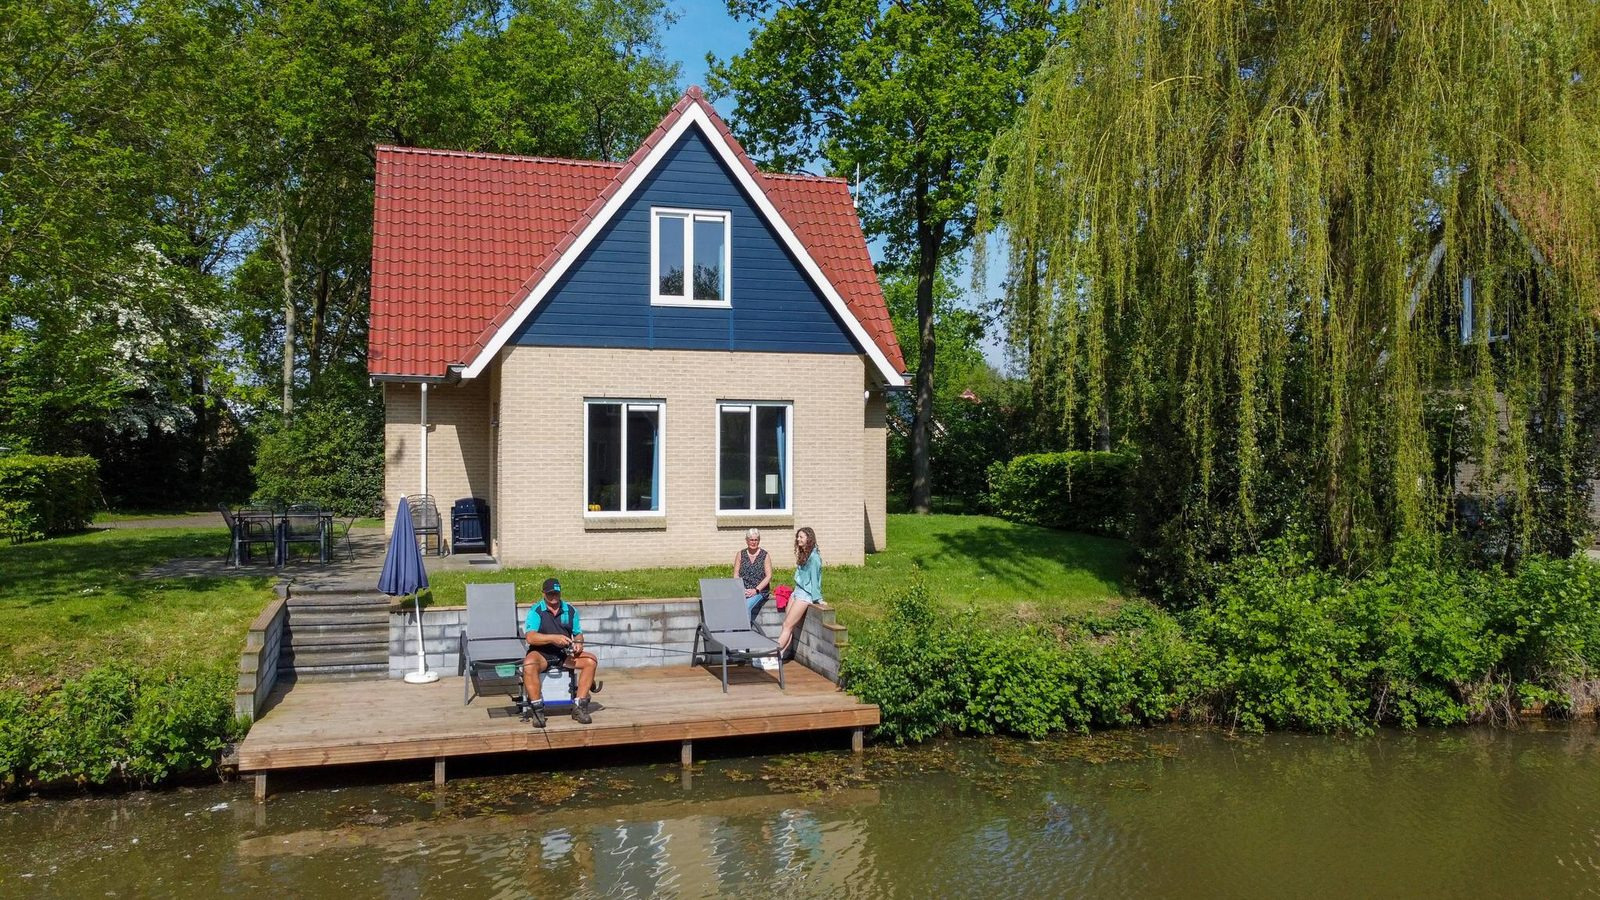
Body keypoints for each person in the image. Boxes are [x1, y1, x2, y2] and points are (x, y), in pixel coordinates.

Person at [521, 577, 601, 726]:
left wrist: (578, 643)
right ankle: (538, 711)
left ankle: (579, 707)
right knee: (528, 664)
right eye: (550, 594)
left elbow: (578, 633)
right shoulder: (536, 611)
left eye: (556, 593)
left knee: (591, 661)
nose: (553, 597)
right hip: (541, 654)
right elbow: (531, 637)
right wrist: (553, 638)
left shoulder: (570, 610)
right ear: (543, 593)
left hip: (563, 654)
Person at [777, 526, 821, 659]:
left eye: (801, 537)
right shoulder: (804, 554)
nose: (798, 539)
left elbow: (815, 579)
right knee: (787, 625)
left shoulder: (814, 558)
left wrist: (817, 598)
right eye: (798, 537)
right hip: (797, 591)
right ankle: (780, 655)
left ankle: (772, 656)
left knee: (787, 625)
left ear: (809, 539)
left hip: (804, 595)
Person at [733, 527, 774, 625]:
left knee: (746, 606)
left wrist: (756, 590)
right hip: (743, 590)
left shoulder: (765, 555)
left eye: (756, 540)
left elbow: (768, 576)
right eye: (751, 540)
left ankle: (745, 632)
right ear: (747, 540)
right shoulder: (740, 554)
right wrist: (741, 589)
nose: (753, 542)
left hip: (759, 591)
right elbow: (736, 574)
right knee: (731, 604)